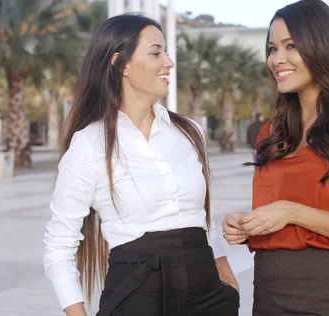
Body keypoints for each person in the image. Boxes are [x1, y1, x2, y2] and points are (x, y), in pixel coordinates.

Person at [43, 14, 239, 316]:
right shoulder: (89, 144)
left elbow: (203, 218)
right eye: (156, 52)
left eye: (167, 52)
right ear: (122, 64)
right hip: (137, 295)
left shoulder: (189, 131)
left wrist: (228, 281)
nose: (169, 62)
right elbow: (58, 246)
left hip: (207, 293)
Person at [222, 1, 329, 315]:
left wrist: (291, 212)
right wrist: (248, 227)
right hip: (266, 292)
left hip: (326, 294)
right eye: (272, 48)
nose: (277, 59)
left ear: (323, 47)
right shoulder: (270, 135)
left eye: (292, 46)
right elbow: (279, 222)